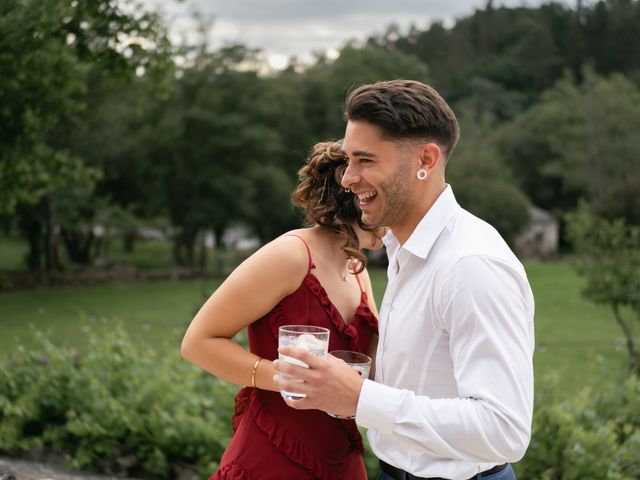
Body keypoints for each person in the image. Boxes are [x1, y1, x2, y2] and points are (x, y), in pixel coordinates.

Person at [274, 80, 535, 480]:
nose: (347, 178)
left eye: (365, 161)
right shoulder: (402, 249)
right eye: (348, 160)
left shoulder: (471, 265)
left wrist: (360, 396)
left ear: (425, 159)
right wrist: (344, 380)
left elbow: (503, 429)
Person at [181, 140, 381, 480]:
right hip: (273, 458)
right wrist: (283, 378)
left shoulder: (357, 270)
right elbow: (198, 342)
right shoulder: (289, 255)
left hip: (342, 461)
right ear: (358, 197)